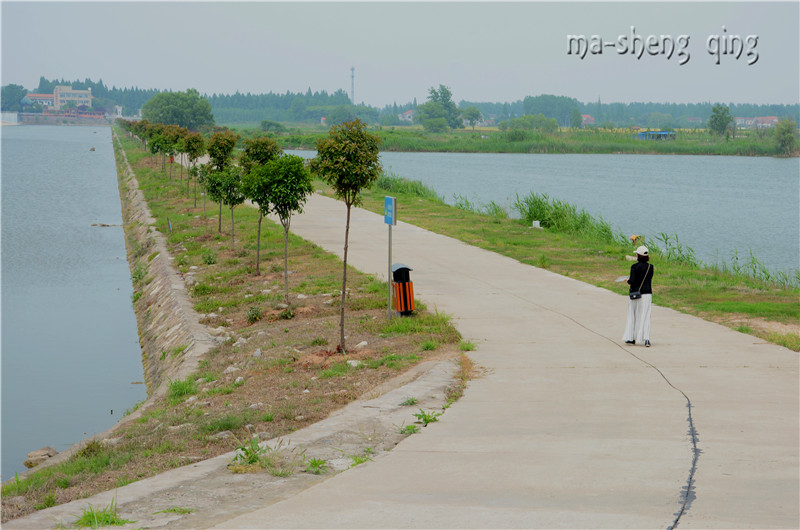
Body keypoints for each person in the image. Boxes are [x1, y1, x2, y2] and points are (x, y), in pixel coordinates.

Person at [623, 245, 654, 347]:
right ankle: (647, 339)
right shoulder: (651, 267)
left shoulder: (634, 267)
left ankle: (631, 337)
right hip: (647, 295)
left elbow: (632, 281)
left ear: (638, 255)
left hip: (636, 294)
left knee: (633, 315)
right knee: (646, 316)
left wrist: (627, 280)